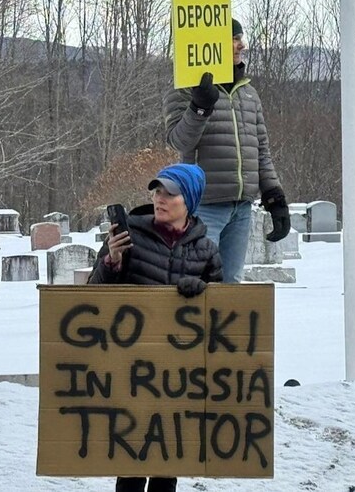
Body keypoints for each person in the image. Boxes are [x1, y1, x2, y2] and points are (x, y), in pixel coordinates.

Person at [87, 163, 222, 492]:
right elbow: (92, 298)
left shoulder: (206, 250)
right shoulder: (128, 235)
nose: (160, 198)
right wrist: (112, 263)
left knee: (166, 462)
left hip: (177, 376)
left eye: (169, 193)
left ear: (188, 200)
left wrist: (201, 293)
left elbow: (221, 314)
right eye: (157, 191)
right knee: (131, 462)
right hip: (131, 369)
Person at [165, 17, 289, 283]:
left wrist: (274, 195)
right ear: (215, 44)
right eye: (234, 39)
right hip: (204, 206)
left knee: (231, 283)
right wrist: (200, 107)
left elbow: (261, 150)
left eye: (240, 38)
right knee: (197, 281)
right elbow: (179, 142)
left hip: (242, 207)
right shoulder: (185, 88)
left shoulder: (249, 94)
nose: (241, 45)